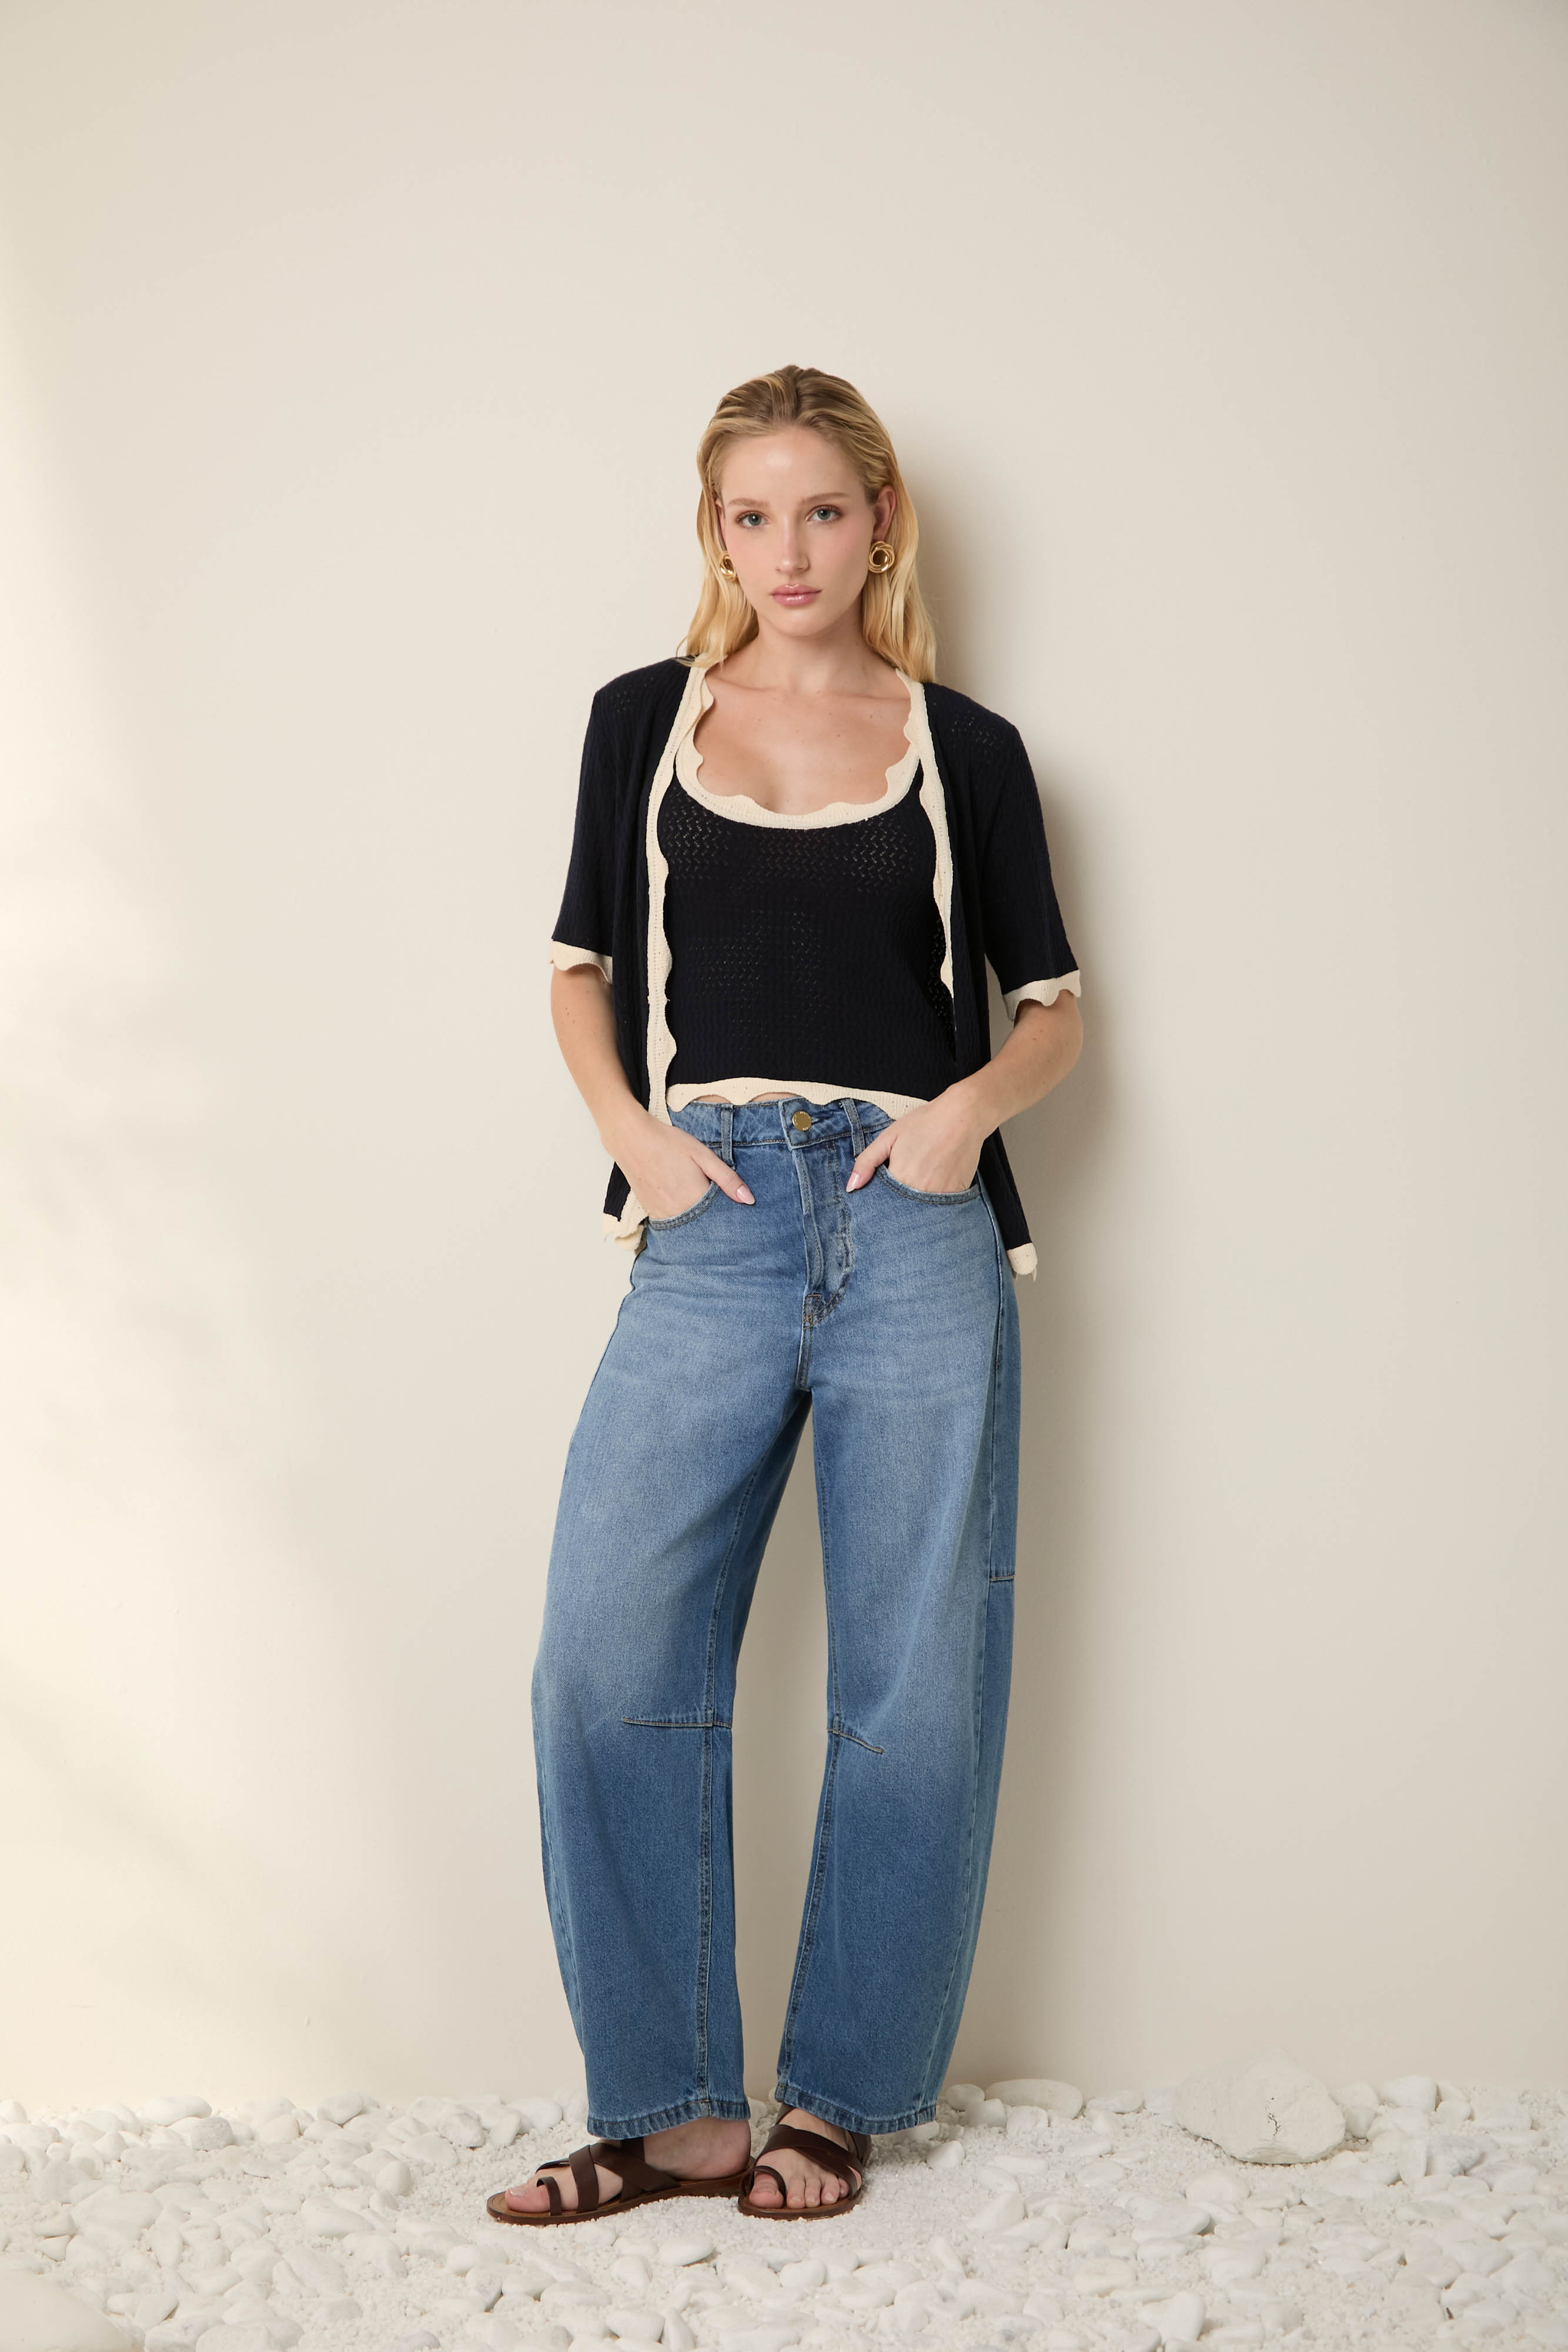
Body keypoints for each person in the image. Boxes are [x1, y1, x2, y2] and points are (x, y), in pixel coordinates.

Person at [489, 365, 1082, 2228]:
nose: (788, 549)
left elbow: (1054, 1010)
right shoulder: (642, 719)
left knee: (914, 1679)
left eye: (821, 509)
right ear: (715, 533)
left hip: (914, 1222)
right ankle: (671, 2115)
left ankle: (837, 2101)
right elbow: (579, 966)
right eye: (751, 516)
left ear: (878, 520)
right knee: (605, 1656)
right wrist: (636, 1141)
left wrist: (961, 1116)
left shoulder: (964, 748)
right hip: (713, 1214)